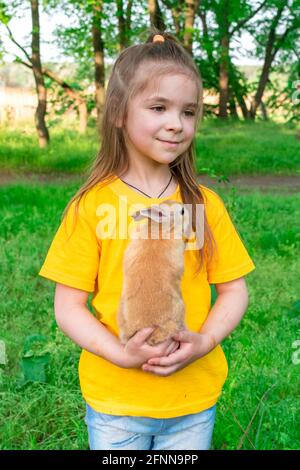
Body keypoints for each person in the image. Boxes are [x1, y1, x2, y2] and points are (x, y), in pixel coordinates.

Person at [39, 30, 255, 451]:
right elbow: (68, 307)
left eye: (189, 112)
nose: (177, 123)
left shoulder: (203, 205)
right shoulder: (91, 206)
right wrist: (119, 354)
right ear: (119, 112)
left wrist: (204, 343)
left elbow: (233, 290)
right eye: (159, 107)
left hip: (192, 402)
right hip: (116, 404)